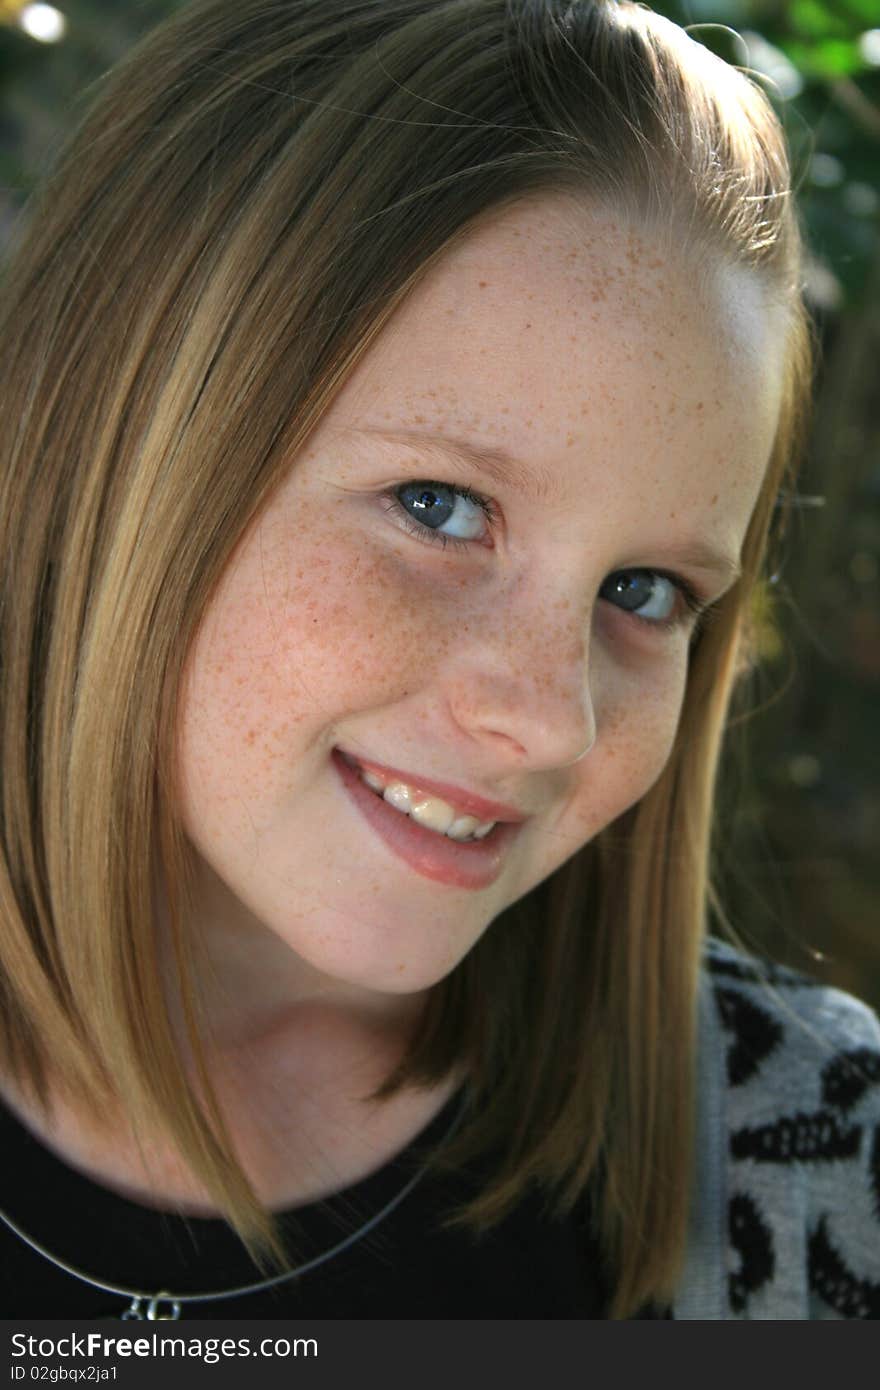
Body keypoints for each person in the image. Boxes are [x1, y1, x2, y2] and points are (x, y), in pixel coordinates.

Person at [0, 0, 877, 1322]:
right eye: (437, 506)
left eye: (645, 591)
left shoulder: (817, 1166)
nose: (550, 718)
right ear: (112, 439)